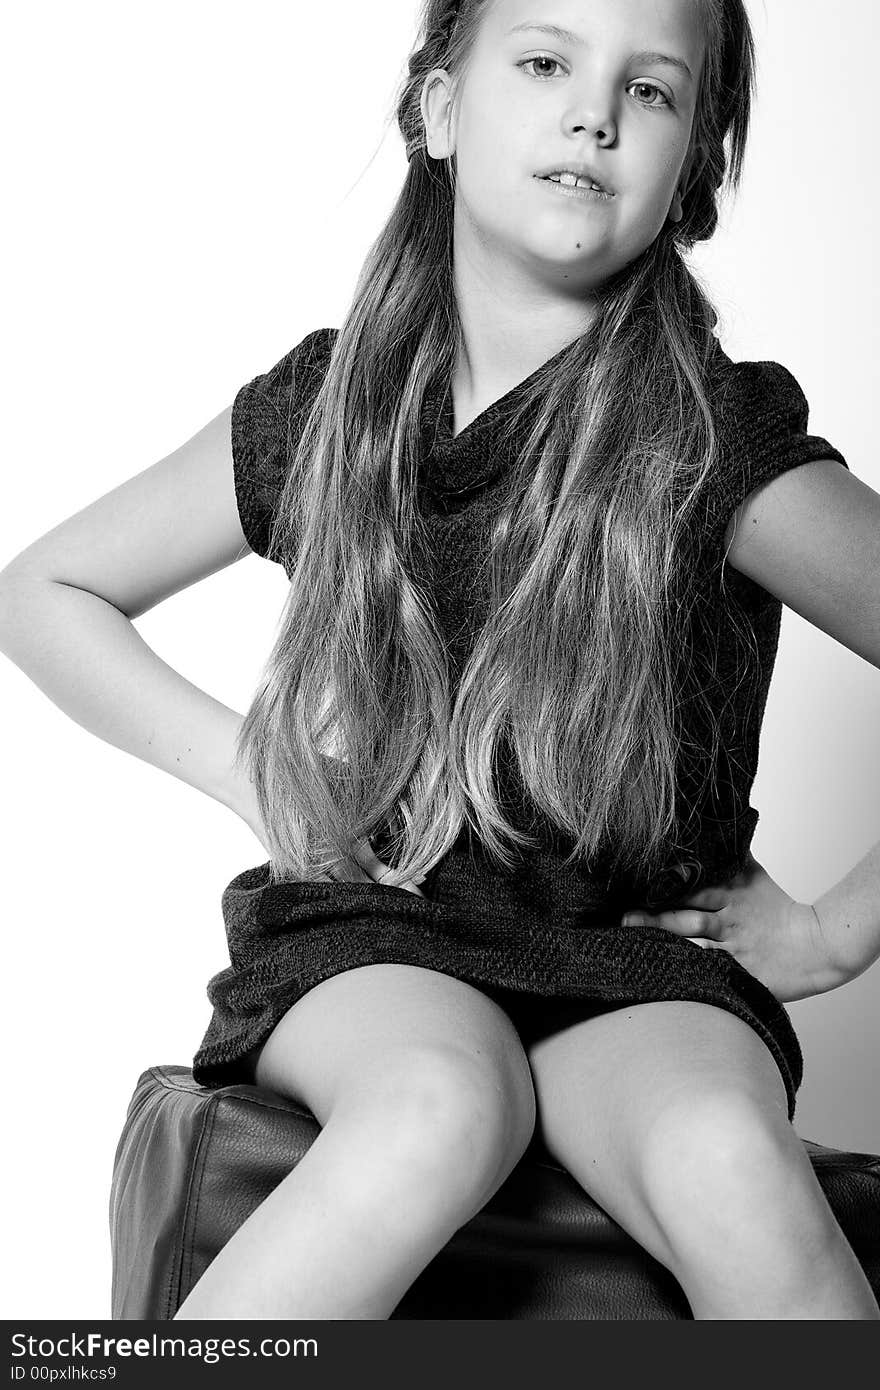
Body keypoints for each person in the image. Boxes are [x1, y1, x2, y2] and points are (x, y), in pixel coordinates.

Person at [1, 0, 878, 1321]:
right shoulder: (332, 405)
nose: (595, 110)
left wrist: (829, 930)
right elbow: (45, 592)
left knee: (730, 1161)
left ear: (691, 166)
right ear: (438, 108)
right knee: (435, 1104)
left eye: (652, 91)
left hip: (628, 963)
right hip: (377, 936)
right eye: (544, 62)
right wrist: (261, 774)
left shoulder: (719, 440)